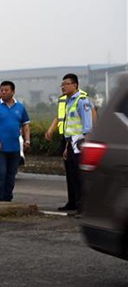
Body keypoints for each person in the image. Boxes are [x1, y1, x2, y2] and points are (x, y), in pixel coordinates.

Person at [43, 73, 94, 214]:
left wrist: (87, 145)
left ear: (75, 85)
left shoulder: (82, 100)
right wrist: (66, 145)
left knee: (79, 175)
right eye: (62, 84)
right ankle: (74, 203)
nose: (63, 87)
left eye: (66, 84)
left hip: (80, 143)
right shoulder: (67, 101)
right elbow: (66, 124)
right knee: (71, 174)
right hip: (70, 142)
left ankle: (83, 206)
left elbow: (87, 125)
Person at [0, 81, 31, 202]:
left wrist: (27, 140)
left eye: (6, 90)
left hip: (14, 147)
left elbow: (25, 125)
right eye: (2, 90)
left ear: (13, 91)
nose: (3, 92)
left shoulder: (20, 107)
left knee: (11, 174)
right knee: (1, 173)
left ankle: (7, 198)